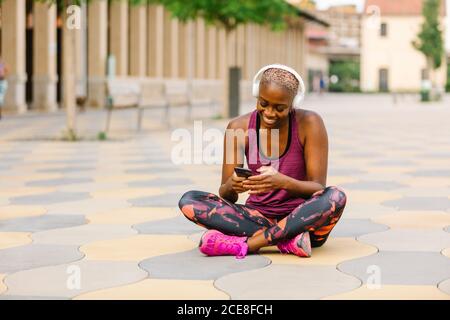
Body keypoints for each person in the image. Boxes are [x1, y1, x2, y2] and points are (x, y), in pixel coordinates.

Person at [178, 64, 347, 259]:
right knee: (190, 201)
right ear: (256, 95)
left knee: (336, 197)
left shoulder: (310, 123)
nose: (269, 113)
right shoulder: (238, 127)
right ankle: (287, 240)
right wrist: (233, 185)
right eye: (263, 103)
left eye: (280, 108)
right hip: (257, 218)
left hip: (304, 219)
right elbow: (226, 196)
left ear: (294, 102)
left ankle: (249, 244)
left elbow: (318, 187)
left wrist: (283, 182)